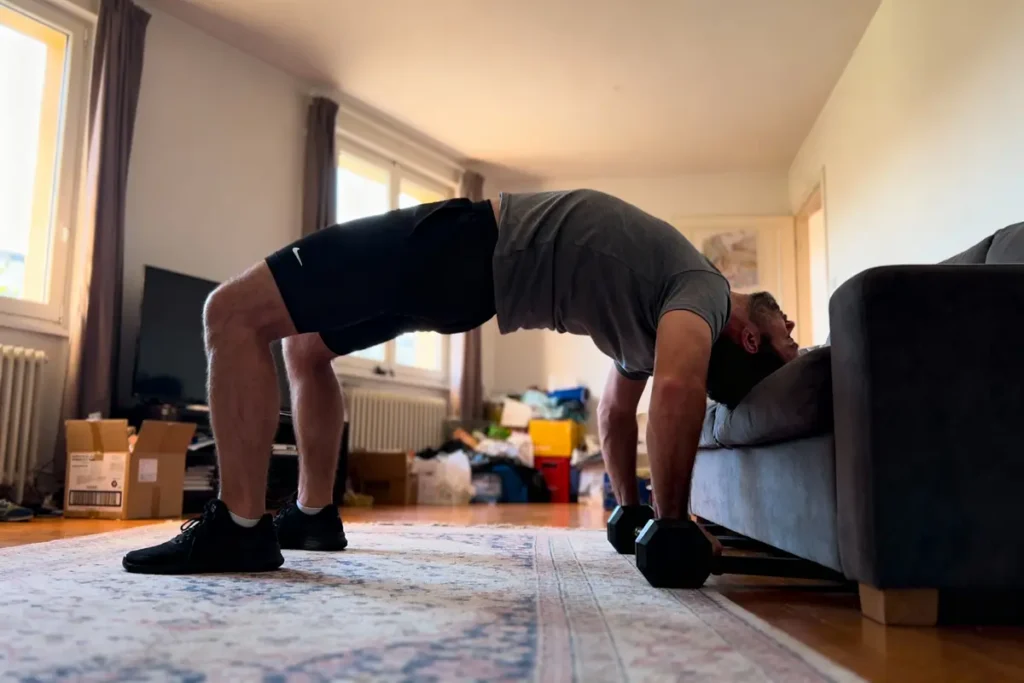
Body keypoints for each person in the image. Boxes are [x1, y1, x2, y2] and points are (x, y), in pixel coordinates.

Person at [122, 189, 798, 574]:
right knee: (306, 346)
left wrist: (670, 522)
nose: (793, 340)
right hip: (469, 279)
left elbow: (672, 391)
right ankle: (314, 514)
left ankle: (239, 525)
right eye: (791, 337)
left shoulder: (702, 292)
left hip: (464, 248)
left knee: (230, 312)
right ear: (750, 333)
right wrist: (632, 509)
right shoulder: (674, 316)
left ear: (746, 337)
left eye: (790, 342)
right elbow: (618, 415)